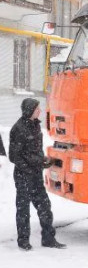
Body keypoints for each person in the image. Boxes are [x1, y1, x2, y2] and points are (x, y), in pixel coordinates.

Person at [8, 98, 65, 251]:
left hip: (35, 174)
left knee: (44, 206)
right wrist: (29, 168)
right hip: (23, 176)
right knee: (23, 209)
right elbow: (14, 156)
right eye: (37, 108)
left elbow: (32, 152)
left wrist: (43, 160)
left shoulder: (35, 126)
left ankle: (48, 238)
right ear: (29, 110)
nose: (40, 111)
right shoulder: (18, 129)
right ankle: (23, 241)